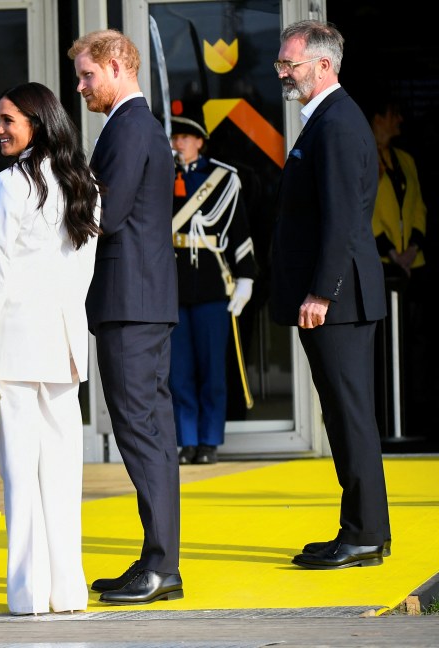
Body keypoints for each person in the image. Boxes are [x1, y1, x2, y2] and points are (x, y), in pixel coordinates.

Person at [0, 82, 100, 615]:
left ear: (35, 123)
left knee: (21, 475)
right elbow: (81, 276)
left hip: (14, 344)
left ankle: (29, 595)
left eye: (7, 120)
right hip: (63, 344)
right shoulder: (85, 183)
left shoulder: (7, 185)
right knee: (62, 475)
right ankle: (68, 591)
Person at [68, 29, 184, 605]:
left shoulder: (128, 127)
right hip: (142, 301)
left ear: (117, 67)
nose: (83, 87)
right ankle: (157, 561)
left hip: (129, 303)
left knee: (142, 433)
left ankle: (161, 565)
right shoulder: (139, 127)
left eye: (89, 75)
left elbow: (105, 217)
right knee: (151, 433)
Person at [270, 20, 391, 569]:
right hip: (335, 299)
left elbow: (343, 219)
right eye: (281, 64)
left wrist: (321, 291)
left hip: (337, 300)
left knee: (351, 417)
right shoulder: (325, 120)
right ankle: (361, 528)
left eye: (290, 65)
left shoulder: (337, 124)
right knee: (344, 418)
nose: (283, 74)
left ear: (323, 65)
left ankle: (364, 535)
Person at [168, 112, 257, 466]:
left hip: (211, 285)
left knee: (212, 372)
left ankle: (209, 441)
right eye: (175, 138)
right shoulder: (161, 175)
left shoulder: (222, 178)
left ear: (200, 141)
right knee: (179, 372)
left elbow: (239, 231)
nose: (178, 144)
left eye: (185, 138)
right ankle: (187, 440)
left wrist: (246, 277)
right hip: (173, 287)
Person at [365, 97, 429, 437]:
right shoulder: (365, 158)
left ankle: (414, 414)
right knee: (384, 348)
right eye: (393, 114)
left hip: (412, 263)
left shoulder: (404, 159)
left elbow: (418, 205)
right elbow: (366, 209)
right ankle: (388, 420)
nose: (399, 121)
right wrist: (390, 251)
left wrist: (414, 245)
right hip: (383, 264)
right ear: (377, 118)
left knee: (415, 342)